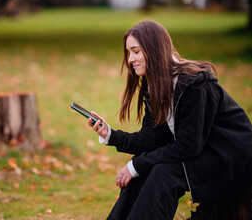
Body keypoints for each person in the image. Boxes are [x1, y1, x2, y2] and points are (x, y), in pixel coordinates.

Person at [88, 20, 252, 220]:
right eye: (129, 52)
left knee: (163, 172)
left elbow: (188, 146)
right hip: (201, 152)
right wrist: (111, 135)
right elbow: (152, 138)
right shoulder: (155, 85)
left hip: (230, 157)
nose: (130, 59)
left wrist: (137, 164)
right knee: (143, 171)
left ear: (154, 49)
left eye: (136, 51)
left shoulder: (194, 84)